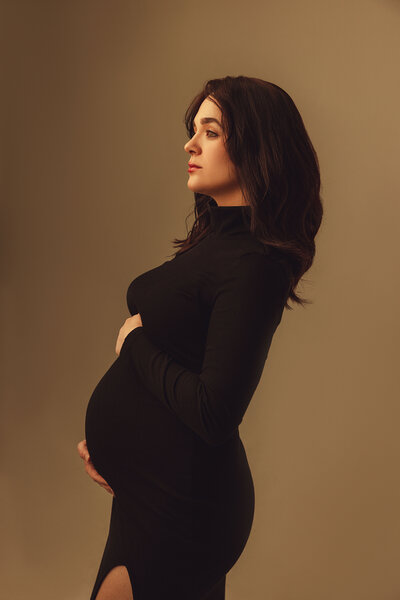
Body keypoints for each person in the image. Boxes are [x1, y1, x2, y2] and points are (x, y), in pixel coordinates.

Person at [77, 75, 323, 600]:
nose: (190, 144)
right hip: (151, 495)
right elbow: (181, 362)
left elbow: (214, 410)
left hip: (182, 509)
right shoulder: (216, 243)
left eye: (209, 132)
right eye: (194, 130)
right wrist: (117, 448)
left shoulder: (255, 264)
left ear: (256, 146)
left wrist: (133, 345)